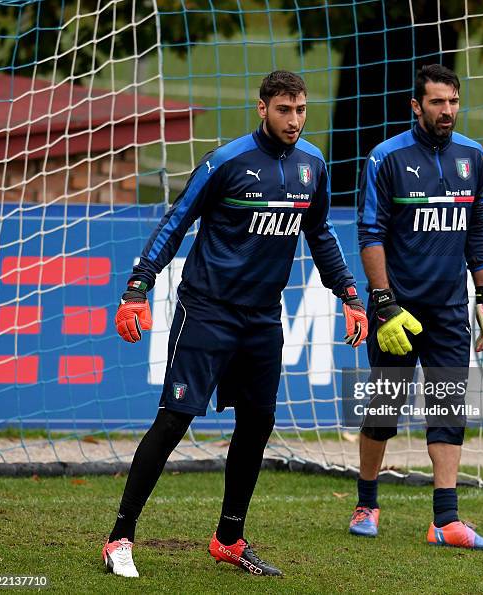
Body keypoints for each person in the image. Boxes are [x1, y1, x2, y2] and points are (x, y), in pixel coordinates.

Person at [102, 70, 368, 578]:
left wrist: (350, 295)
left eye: (302, 110)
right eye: (284, 110)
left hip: (264, 317)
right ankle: (120, 536)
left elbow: (322, 235)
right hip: (208, 310)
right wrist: (138, 288)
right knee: (174, 419)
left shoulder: (313, 165)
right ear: (262, 107)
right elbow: (175, 222)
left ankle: (229, 538)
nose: (294, 120)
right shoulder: (225, 162)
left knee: (257, 423)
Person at [348, 64, 483, 551]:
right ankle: (367, 501)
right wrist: (384, 301)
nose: (447, 111)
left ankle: (446, 520)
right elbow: (370, 234)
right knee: (385, 405)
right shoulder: (386, 158)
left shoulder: (472, 157)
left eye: (453, 101)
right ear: (416, 106)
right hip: (398, 308)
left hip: (451, 309)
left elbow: (476, 228)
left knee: (448, 405)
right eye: (437, 102)